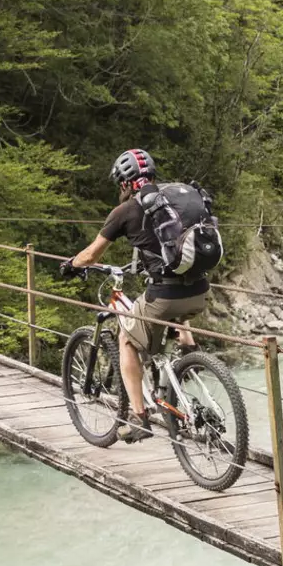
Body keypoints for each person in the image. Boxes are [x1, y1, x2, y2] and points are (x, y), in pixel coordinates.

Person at [59, 148, 210, 442]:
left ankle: (139, 419)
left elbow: (91, 255)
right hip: (201, 292)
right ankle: (187, 345)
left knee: (126, 339)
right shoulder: (174, 198)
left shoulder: (125, 210)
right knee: (171, 295)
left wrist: (70, 265)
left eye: (120, 184)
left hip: (164, 298)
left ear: (126, 183)